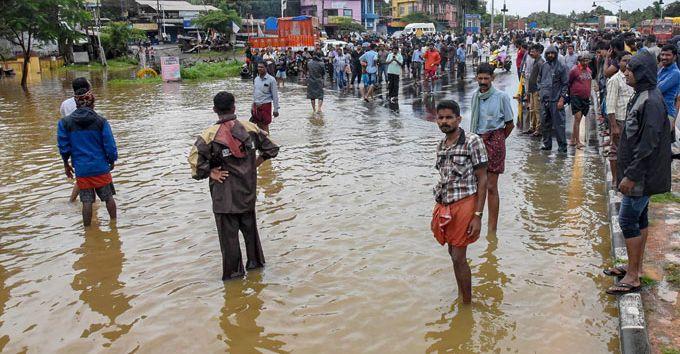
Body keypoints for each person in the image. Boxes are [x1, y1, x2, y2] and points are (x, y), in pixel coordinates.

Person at [189, 92, 280, 281]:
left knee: (228, 242)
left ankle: (234, 278)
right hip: (246, 194)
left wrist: (210, 172)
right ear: (234, 107)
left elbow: (195, 165)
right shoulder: (250, 128)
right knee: (251, 237)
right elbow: (272, 148)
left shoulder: (208, 136)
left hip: (223, 198)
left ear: (215, 110)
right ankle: (256, 270)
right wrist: (255, 163)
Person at [605, 52, 672, 295]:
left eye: (631, 69)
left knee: (627, 220)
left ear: (642, 72)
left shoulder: (651, 101)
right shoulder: (642, 96)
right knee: (640, 218)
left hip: (641, 175)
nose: (625, 72)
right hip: (639, 172)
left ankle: (633, 276)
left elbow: (648, 144)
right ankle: (635, 267)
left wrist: (631, 175)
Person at [431, 99, 488, 304]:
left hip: (466, 204)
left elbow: (483, 179)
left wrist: (478, 216)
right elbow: (444, 177)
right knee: (452, 252)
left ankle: (467, 305)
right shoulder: (441, 145)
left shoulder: (472, 141)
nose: (444, 122)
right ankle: (462, 294)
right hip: (446, 204)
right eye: (441, 118)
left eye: (449, 117)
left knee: (458, 256)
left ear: (458, 119)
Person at [57, 86, 118, 227]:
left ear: (76, 103)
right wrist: (112, 160)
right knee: (108, 198)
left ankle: (88, 231)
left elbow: (63, 147)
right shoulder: (101, 121)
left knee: (86, 201)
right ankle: (114, 225)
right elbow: (109, 145)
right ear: (92, 102)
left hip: (82, 169)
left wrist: (66, 164)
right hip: (100, 167)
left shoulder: (65, 123)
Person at [469, 63, 514, 232]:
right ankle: (475, 221)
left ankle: (492, 229)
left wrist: (498, 141)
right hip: (477, 140)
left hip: (495, 140)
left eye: (486, 78)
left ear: (492, 78)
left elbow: (510, 124)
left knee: (491, 186)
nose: (482, 81)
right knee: (477, 184)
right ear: (476, 78)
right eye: (480, 78)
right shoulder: (475, 96)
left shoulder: (501, 97)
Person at [60, 77, 91, 202]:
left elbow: (64, 120)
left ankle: (72, 201)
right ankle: (84, 203)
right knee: (86, 175)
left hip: (73, 142)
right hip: (87, 141)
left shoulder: (65, 104)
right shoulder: (88, 101)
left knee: (83, 174)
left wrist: (65, 162)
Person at [606, 53, 634, 186]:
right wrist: (614, 126)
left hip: (630, 120)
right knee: (615, 151)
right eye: (624, 60)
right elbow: (610, 106)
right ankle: (615, 179)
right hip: (619, 120)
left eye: (629, 61)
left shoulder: (633, 78)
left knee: (627, 151)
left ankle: (623, 177)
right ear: (619, 62)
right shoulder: (615, 80)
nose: (627, 63)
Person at [537, 45, 569, 153]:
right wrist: (540, 92)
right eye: (548, 53)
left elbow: (565, 85)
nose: (550, 55)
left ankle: (562, 147)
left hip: (556, 101)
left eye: (553, 53)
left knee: (559, 125)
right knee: (545, 124)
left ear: (556, 54)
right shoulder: (544, 66)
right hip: (545, 100)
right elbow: (539, 79)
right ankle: (547, 144)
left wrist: (561, 99)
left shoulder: (562, 67)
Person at [567, 52, 592, 149]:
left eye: (587, 60)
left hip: (585, 98)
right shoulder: (574, 70)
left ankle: (573, 139)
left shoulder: (589, 71)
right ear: (579, 61)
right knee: (577, 118)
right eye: (583, 60)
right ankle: (578, 142)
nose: (585, 62)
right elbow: (569, 82)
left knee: (579, 119)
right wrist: (570, 95)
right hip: (576, 97)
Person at [252, 62, 280, 133]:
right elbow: (255, 93)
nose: (259, 69)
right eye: (258, 67)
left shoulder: (271, 80)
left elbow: (275, 96)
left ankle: (268, 142)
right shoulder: (256, 79)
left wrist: (276, 109)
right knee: (257, 127)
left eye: (261, 67)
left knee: (265, 126)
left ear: (266, 68)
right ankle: (260, 143)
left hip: (265, 106)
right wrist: (252, 106)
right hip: (256, 106)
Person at [657, 44, 680, 129]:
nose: (664, 57)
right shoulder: (662, 69)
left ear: (674, 57)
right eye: (662, 54)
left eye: (668, 55)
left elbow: (657, 89)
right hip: (658, 112)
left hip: (666, 114)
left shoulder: (675, 73)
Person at [525, 44, 544, 137]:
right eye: (531, 51)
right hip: (532, 89)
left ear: (538, 52)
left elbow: (542, 77)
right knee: (532, 109)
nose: (531, 53)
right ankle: (532, 127)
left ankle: (538, 129)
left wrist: (540, 90)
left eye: (533, 51)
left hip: (537, 90)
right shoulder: (535, 61)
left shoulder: (541, 62)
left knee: (537, 110)